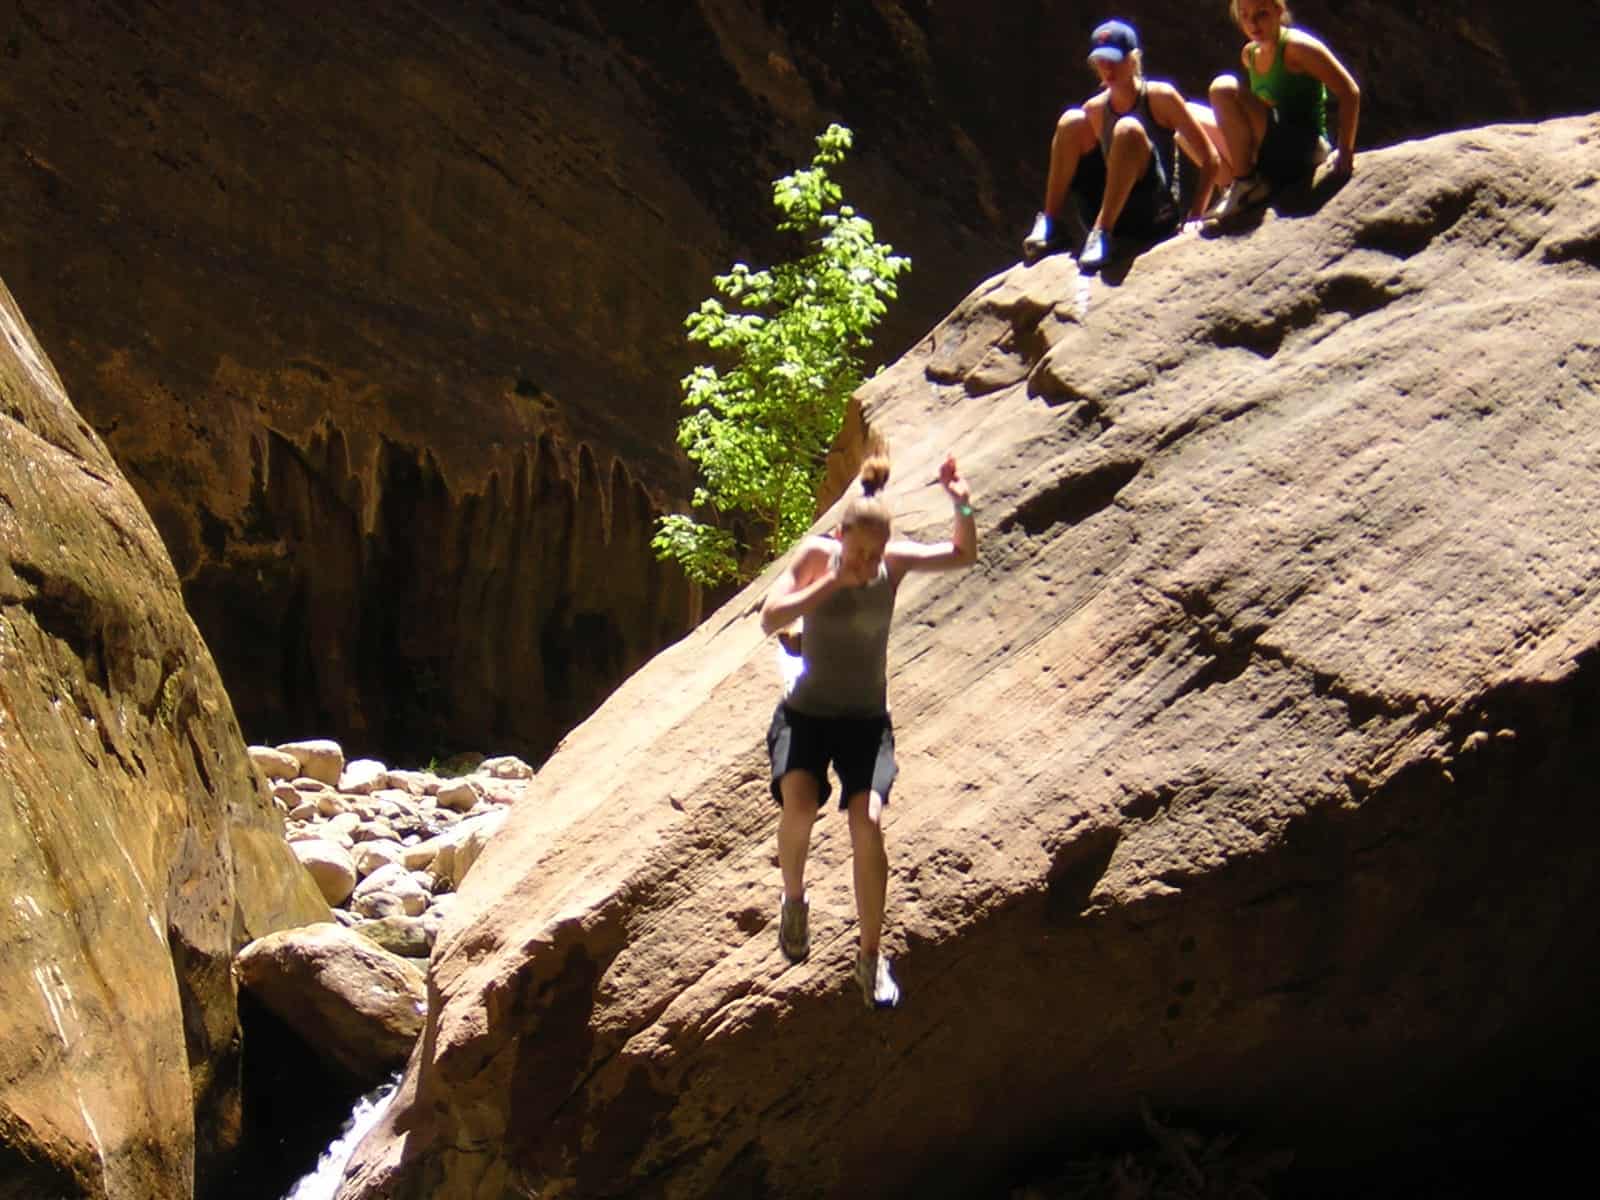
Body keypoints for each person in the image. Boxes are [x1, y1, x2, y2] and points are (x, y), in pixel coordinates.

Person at [760, 449, 977, 1009]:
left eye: (873, 554)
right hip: (807, 714)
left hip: (864, 722)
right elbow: (770, 617)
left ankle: (870, 956)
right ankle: (793, 900)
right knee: (800, 807)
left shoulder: (892, 563)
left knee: (868, 824)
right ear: (839, 537)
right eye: (857, 551)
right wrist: (829, 582)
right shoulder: (817, 557)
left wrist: (962, 505)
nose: (865, 563)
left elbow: (962, 554)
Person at [1023, 18, 1224, 273]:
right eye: (1101, 62)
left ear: (1133, 58)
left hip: (1152, 212)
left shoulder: (1160, 97)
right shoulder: (1094, 110)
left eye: (1114, 60)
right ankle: (1050, 224)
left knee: (1127, 129)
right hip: (1113, 210)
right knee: (1070, 121)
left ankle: (1102, 232)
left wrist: (1196, 215)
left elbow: (1210, 158)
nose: (1107, 68)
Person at [1207, 0, 1360, 220]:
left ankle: (1247, 185)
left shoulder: (1297, 47)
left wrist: (1345, 152)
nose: (1253, 24)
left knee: (1223, 88)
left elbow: (1349, 92)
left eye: (1261, 14)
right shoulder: (1249, 54)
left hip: (1305, 145)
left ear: (1279, 10)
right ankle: (1238, 186)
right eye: (1245, 16)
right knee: (1190, 124)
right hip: (1275, 145)